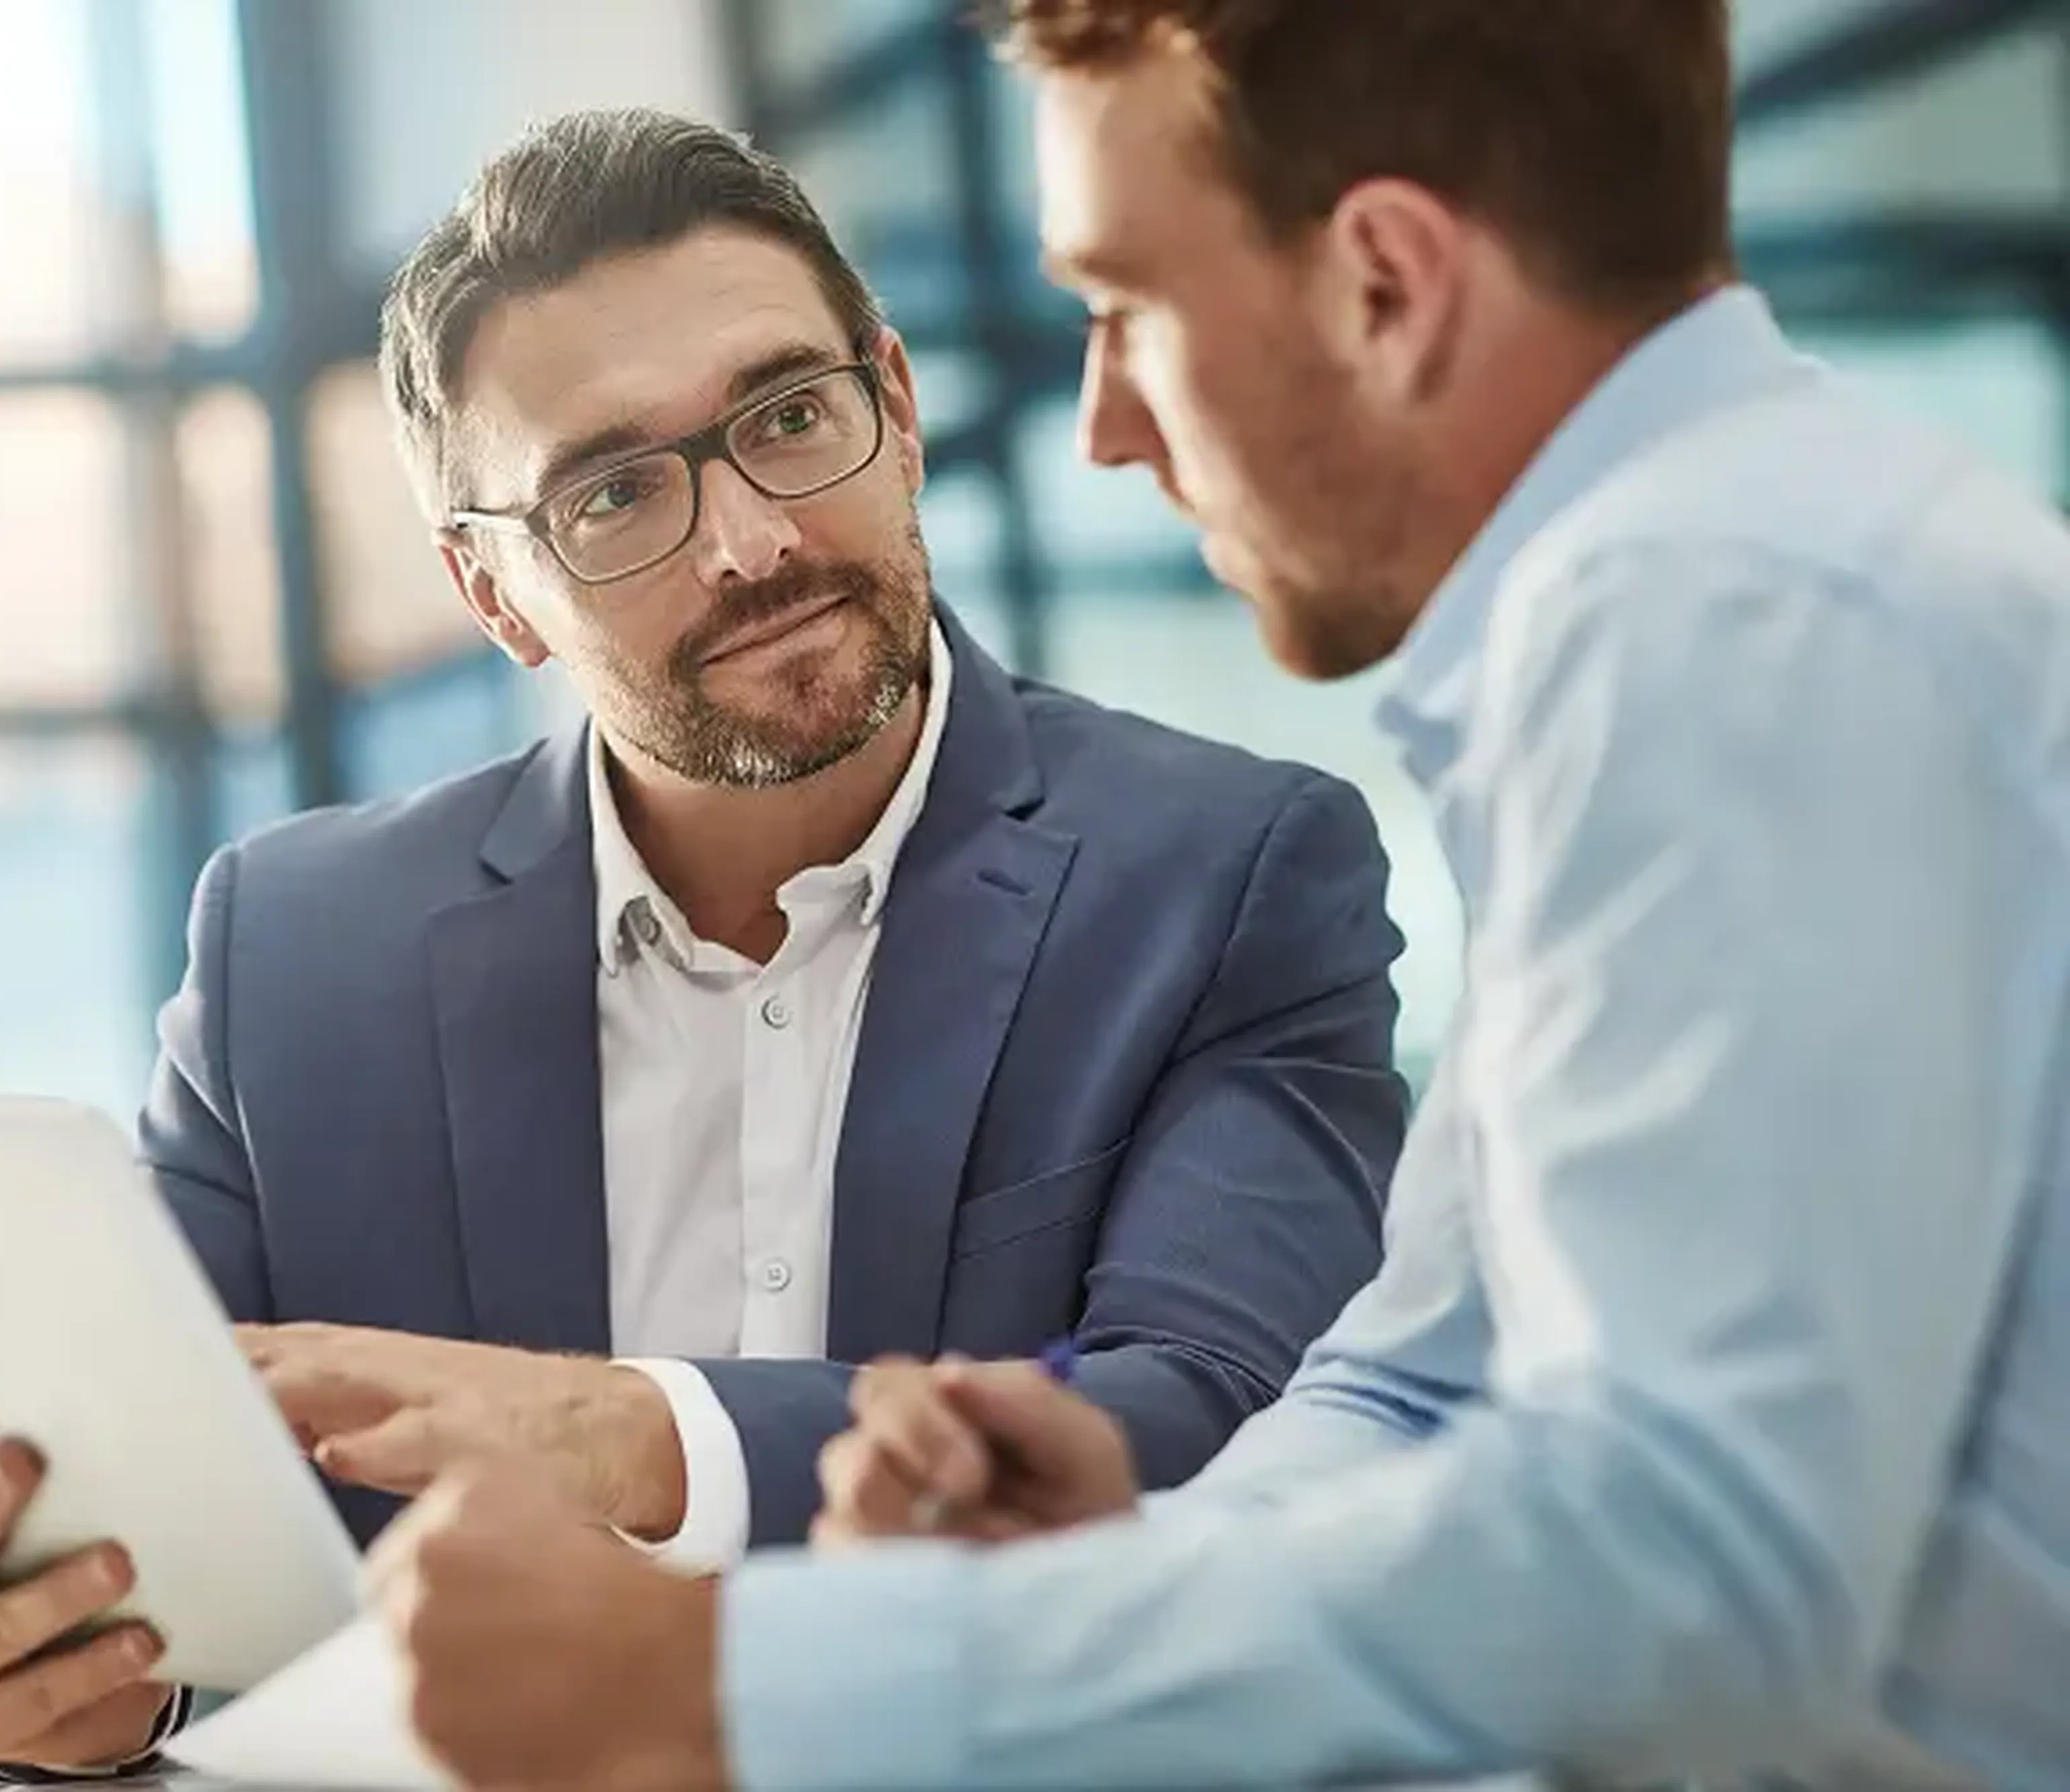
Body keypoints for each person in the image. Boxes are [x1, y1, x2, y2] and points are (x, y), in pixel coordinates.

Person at [364, 3, 2070, 1788]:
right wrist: (1129, 1563)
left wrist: (733, 1679)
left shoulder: (1722, 623)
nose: (1107, 425)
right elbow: (1421, 1382)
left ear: (1387, 285)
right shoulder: (1699, 591)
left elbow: (1692, 1570)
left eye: (1128, 308)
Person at [0, 105, 1413, 1778]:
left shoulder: (1229, 876)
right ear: (492, 593)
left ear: (896, 411)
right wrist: (29, 1667)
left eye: (790, 419)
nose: (754, 543)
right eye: (613, 494)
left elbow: (1225, 1420)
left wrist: (626, 1433)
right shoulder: (293, 956)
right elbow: (131, 1507)